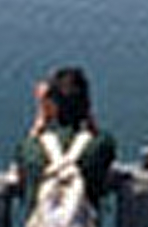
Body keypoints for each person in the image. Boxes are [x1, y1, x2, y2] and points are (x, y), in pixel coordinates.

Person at [16, 66, 118, 224]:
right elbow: (101, 141)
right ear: (87, 104)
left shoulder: (31, 148)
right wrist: (87, 114)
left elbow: (24, 151)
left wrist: (41, 117)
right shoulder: (101, 145)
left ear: (51, 106)